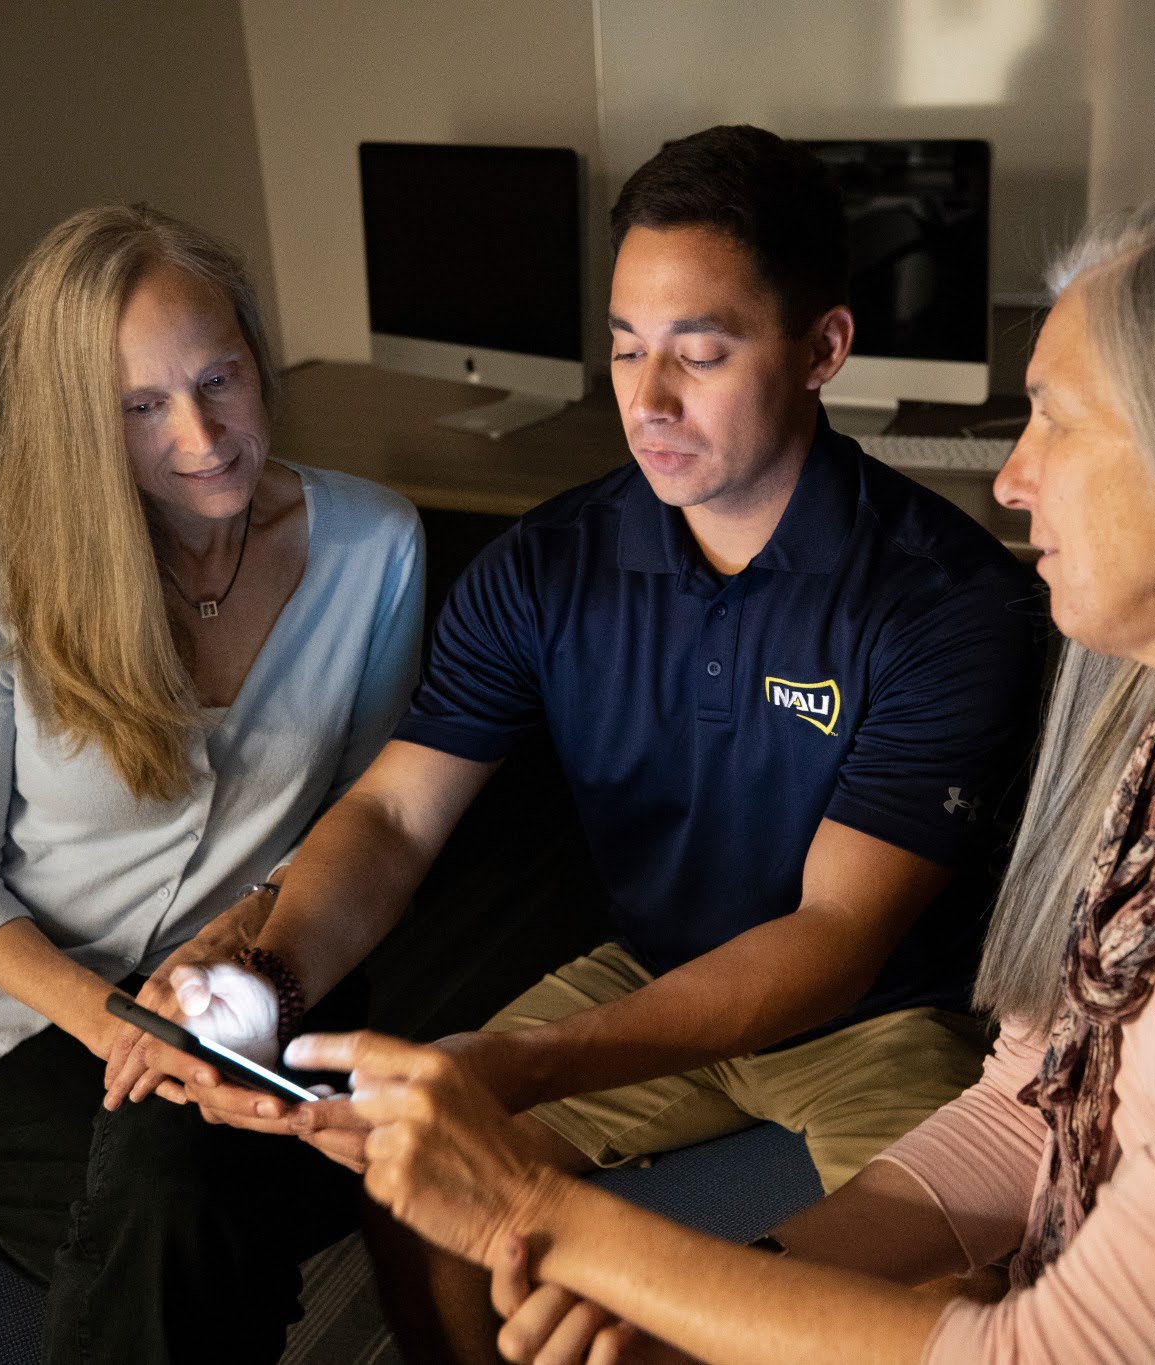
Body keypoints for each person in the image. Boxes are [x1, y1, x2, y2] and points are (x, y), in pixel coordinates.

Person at [293, 189, 1155, 1364]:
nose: (1013, 477)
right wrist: (721, 1292)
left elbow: (1067, 1355)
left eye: (1057, 421)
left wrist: (580, 1229)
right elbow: (1033, 1112)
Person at [136, 125, 1045, 1363]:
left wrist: (516, 1064)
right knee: (415, 1188)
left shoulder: (943, 604)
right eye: (623, 346)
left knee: (969, 1295)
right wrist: (265, 978)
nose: (645, 399)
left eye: (699, 353)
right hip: (651, 968)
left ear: (823, 348)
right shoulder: (546, 564)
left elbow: (834, 941)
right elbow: (399, 815)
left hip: (877, 1017)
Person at [0, 203, 424, 1364]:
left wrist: (240, 935)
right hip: (15, 1020)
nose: (203, 433)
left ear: (256, 356)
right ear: (79, 422)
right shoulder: (0, 578)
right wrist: (118, 1022)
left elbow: (365, 814)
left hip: (260, 979)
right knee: (190, 1216)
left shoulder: (377, 545)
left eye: (219, 379)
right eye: (141, 406)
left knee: (173, 1220)